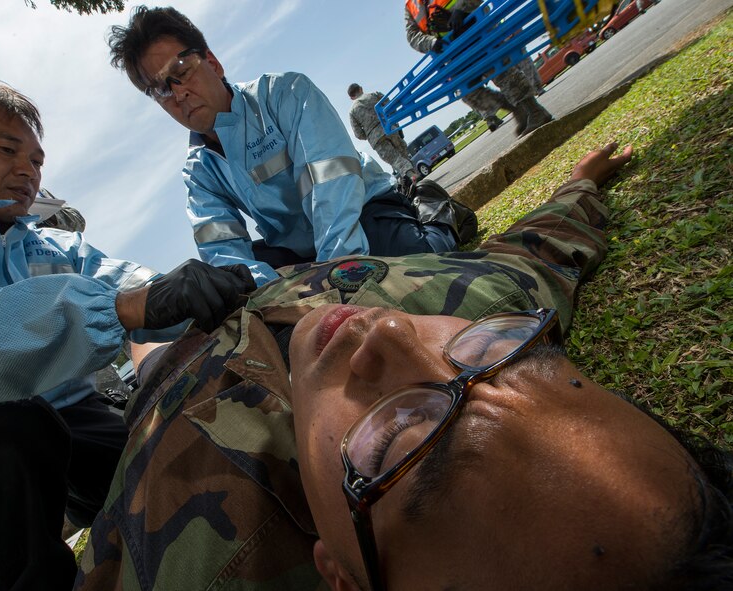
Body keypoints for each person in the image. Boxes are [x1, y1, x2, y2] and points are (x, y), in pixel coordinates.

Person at [75, 142, 733, 590]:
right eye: (504, 356)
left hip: (167, 374)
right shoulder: (483, 303)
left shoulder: (188, 561)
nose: (391, 329)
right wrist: (581, 180)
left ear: (341, 575)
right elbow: (536, 250)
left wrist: (148, 343)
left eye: (397, 435)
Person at [0, 74, 255, 590]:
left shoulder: (48, 246)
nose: (29, 171)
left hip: (61, 427)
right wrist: (122, 308)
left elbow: (134, 285)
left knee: (173, 446)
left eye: (37, 160)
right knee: (4, 425)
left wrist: (229, 289)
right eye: (6, 150)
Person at [108, 6, 465, 287]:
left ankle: (435, 211)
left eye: (181, 69)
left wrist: (337, 274)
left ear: (213, 63)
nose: (178, 93)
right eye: (160, 89)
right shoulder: (198, 173)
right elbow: (223, 252)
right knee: (243, 285)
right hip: (297, 250)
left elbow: (332, 187)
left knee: (409, 263)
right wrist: (276, 297)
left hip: (360, 209)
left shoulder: (286, 94)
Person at [405, 0, 554, 135]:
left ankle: (535, 111)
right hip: (453, 51)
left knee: (504, 73)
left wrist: (461, 9)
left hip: (477, 31)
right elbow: (412, 35)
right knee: (466, 90)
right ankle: (516, 109)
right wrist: (430, 42)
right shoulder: (411, 6)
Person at [347, 83, 415, 188]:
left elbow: (358, 134)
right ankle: (411, 178)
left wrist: (370, 134)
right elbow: (390, 107)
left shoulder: (352, 111)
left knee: (395, 159)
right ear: (361, 89)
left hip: (376, 138)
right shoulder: (374, 94)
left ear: (351, 97)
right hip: (390, 128)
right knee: (403, 153)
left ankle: (411, 176)